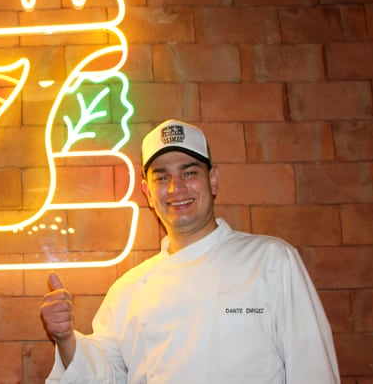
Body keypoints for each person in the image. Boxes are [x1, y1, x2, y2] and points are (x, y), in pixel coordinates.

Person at [40, 119, 340, 383]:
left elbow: (312, 367)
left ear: (213, 181)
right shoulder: (128, 290)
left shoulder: (271, 261)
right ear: (147, 192)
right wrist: (65, 337)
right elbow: (103, 376)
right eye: (161, 177)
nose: (175, 188)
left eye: (189, 172)